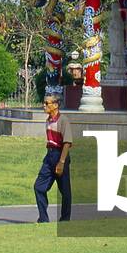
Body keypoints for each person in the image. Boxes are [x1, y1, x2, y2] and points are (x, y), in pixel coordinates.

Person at [34, 94, 72, 223]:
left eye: (47, 103)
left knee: (65, 190)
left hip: (60, 154)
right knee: (39, 187)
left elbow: (67, 142)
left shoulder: (63, 120)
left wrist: (61, 162)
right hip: (49, 155)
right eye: (44, 103)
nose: (44, 106)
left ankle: (65, 219)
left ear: (55, 105)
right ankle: (43, 219)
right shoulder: (48, 120)